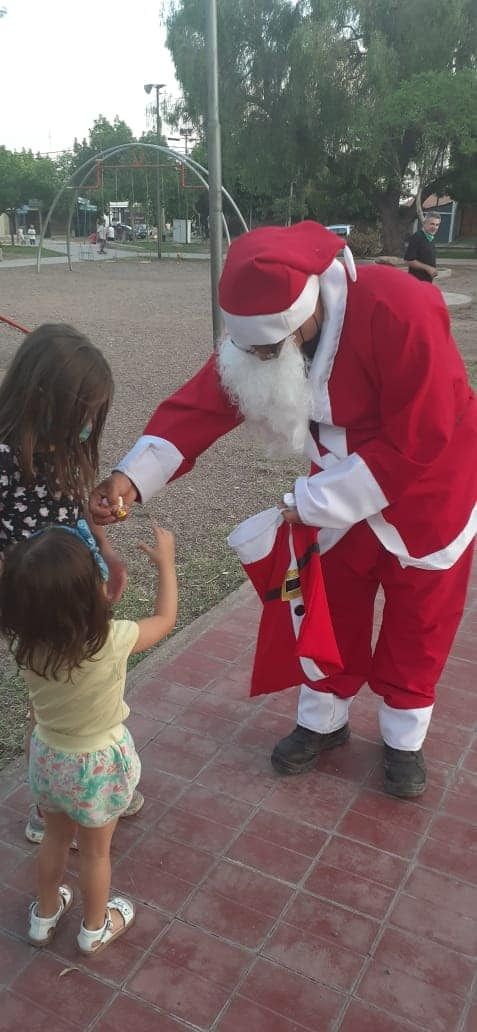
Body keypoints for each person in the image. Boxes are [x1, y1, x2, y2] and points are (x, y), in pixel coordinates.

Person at [90, 221, 477, 799]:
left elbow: (421, 437)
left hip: (428, 492)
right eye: (257, 351)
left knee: (419, 619)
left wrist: (309, 501)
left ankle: (403, 738)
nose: (263, 360)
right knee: (330, 607)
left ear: (308, 313)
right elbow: (203, 404)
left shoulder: (402, 308)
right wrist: (130, 477)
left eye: (273, 351)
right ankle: (324, 721)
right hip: (335, 496)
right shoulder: (261, 335)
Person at [0, 521, 177, 954]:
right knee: (96, 854)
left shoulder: (26, 645)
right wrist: (166, 565)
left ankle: (44, 917)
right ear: (91, 594)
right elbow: (165, 619)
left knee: (56, 839)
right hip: (97, 765)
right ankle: (93, 929)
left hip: (47, 759)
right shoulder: (112, 641)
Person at [0, 323, 144, 843]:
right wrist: (36, 584)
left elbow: (69, 514)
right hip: (37, 605)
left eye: (92, 418)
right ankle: (50, 802)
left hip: (79, 594)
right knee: (50, 701)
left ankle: (101, 783)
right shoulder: (4, 458)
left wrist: (104, 547)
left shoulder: (61, 448)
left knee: (93, 686)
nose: (87, 427)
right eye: (81, 415)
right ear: (43, 400)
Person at [404, 211, 441, 282]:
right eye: (432, 224)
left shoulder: (430, 238)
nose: (435, 227)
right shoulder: (417, 237)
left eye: (437, 225)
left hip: (427, 282)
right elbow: (409, 260)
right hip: (416, 282)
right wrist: (428, 268)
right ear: (424, 223)